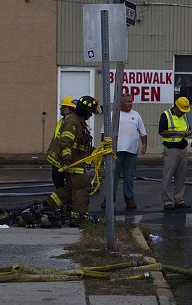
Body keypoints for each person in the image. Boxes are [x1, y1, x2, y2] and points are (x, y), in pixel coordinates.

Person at [48, 95, 98, 224]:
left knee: (70, 189)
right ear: (85, 111)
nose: (91, 116)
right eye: (90, 113)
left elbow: (79, 143)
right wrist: (67, 161)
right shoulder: (72, 122)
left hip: (75, 161)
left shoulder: (78, 120)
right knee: (82, 185)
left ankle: (49, 204)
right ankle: (79, 214)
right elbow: (65, 142)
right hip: (71, 162)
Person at [102, 93, 147, 210]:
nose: (131, 103)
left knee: (129, 177)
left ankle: (130, 199)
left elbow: (143, 132)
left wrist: (144, 145)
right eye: (128, 101)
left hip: (131, 151)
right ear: (121, 103)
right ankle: (109, 199)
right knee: (113, 177)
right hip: (115, 152)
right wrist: (105, 147)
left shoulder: (136, 115)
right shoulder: (113, 115)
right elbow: (104, 133)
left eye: (131, 101)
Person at [159, 96, 192, 211]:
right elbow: (162, 132)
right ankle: (168, 202)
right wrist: (178, 132)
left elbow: (189, 128)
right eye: (182, 110)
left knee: (181, 177)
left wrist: (188, 132)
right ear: (176, 106)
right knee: (167, 177)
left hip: (183, 149)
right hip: (171, 149)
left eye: (185, 110)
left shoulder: (185, 116)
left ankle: (179, 200)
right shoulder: (166, 115)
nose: (183, 112)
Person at [46, 96, 76, 189]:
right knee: (58, 185)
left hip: (64, 159)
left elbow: (67, 142)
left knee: (65, 186)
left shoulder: (71, 123)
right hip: (57, 159)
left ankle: (67, 202)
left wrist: (66, 160)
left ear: (69, 109)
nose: (60, 109)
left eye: (63, 107)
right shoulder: (63, 121)